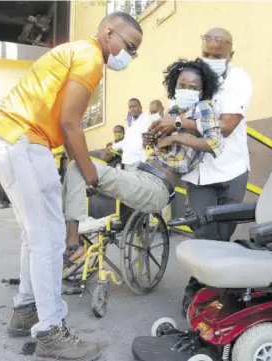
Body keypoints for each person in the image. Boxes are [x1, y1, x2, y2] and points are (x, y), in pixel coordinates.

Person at [0, 11, 143, 361]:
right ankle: (51, 331)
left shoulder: (74, 52)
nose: (129, 55)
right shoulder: (89, 57)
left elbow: (64, 122)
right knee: (50, 238)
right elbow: (70, 123)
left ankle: (26, 309)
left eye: (135, 51)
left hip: (9, 138)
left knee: (34, 234)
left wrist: (82, 167)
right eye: (129, 46)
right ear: (108, 32)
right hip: (22, 140)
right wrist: (91, 174)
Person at [62, 58, 222, 265]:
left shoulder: (203, 108)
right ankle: (68, 235)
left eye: (193, 87)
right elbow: (158, 144)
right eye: (182, 85)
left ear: (201, 91)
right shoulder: (173, 112)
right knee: (75, 174)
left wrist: (175, 136)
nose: (186, 90)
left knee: (78, 167)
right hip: (140, 173)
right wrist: (152, 139)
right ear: (174, 85)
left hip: (156, 186)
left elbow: (214, 142)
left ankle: (72, 244)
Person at [149, 27, 253, 315]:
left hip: (231, 169)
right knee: (204, 235)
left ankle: (218, 294)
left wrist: (179, 125)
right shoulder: (192, 81)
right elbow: (173, 119)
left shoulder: (238, 80)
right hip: (198, 174)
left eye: (218, 56)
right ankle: (197, 291)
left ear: (230, 54)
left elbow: (227, 125)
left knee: (223, 235)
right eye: (207, 54)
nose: (211, 59)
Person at [112, 98, 152, 171]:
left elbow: (147, 140)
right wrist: (113, 146)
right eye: (130, 107)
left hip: (138, 161)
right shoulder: (131, 123)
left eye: (134, 106)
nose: (132, 109)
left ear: (140, 107)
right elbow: (127, 141)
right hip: (128, 162)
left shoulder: (147, 119)